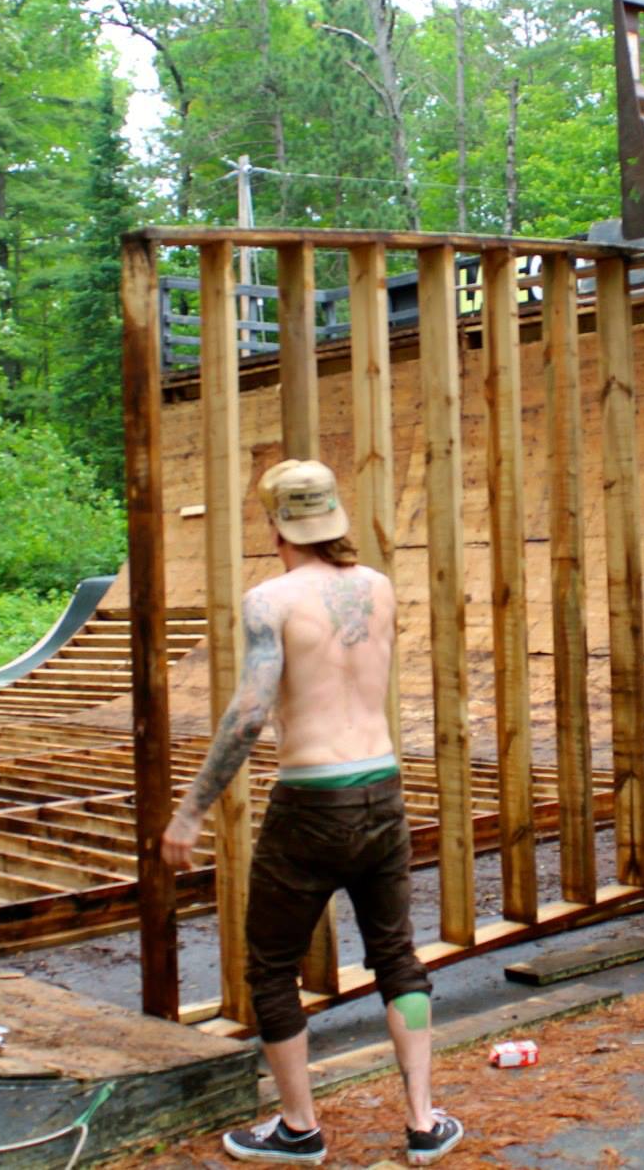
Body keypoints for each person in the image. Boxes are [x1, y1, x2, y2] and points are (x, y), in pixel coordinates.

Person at [162, 460, 463, 1167]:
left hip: (311, 800)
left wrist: (190, 811)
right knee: (396, 957)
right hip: (382, 789)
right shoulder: (380, 589)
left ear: (276, 526)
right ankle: (423, 1122)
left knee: (270, 966)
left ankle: (300, 1127)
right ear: (333, 518)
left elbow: (248, 714)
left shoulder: (270, 600)